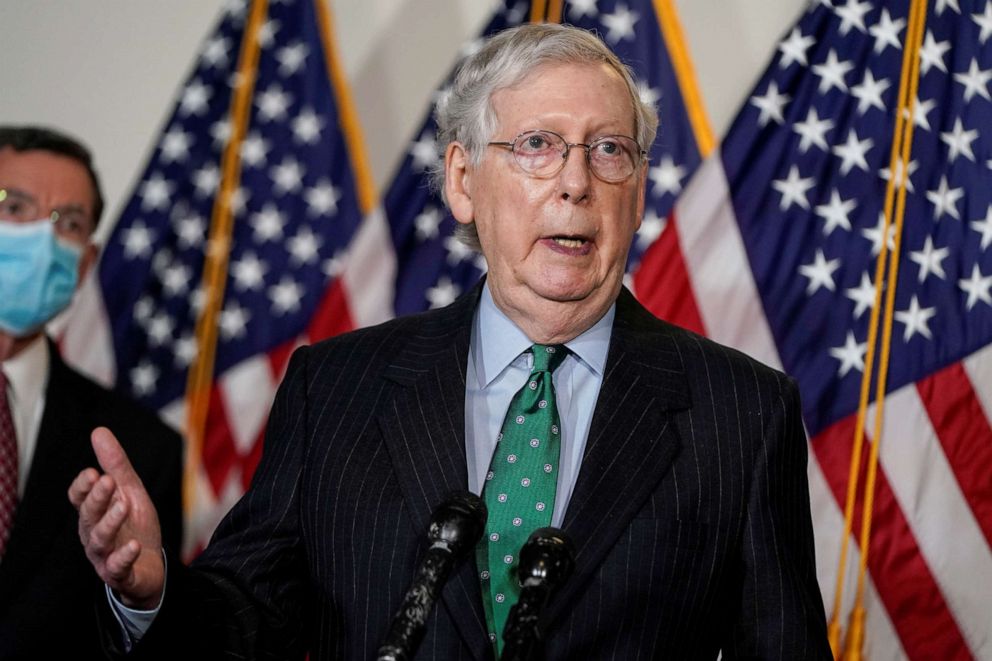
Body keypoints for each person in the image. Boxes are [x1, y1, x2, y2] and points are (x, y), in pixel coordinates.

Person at [71, 24, 830, 660]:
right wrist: (151, 589)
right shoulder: (335, 387)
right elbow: (246, 621)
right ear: (463, 181)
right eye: (537, 144)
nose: (576, 183)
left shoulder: (740, 413)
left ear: (637, 191)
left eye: (609, 151)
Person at [0, 126, 183, 659]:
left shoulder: (142, 449)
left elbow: (151, 646)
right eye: (15, 207)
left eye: (69, 223)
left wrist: (142, 599)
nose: (42, 239)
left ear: (83, 263)